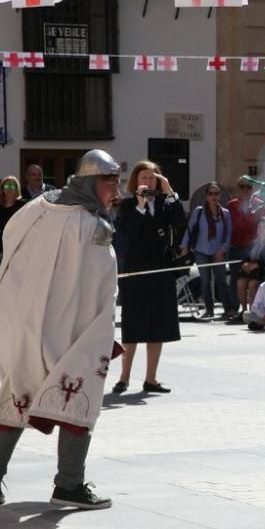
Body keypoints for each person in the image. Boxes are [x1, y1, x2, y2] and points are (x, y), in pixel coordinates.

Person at [0, 149, 122, 510]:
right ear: (88, 182)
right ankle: (68, 485)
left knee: (18, 391)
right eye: (109, 180)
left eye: (117, 180)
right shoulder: (95, 227)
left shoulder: (36, 208)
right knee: (79, 391)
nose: (115, 188)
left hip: (26, 323)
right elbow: (100, 287)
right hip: (68, 330)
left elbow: (12, 244)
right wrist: (100, 329)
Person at [112, 161, 185, 395]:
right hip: (136, 272)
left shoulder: (166, 203)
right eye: (143, 177)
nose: (147, 181)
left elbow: (180, 223)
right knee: (133, 325)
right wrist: (141, 206)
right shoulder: (127, 205)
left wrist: (169, 190)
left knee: (158, 325)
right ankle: (124, 378)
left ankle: (150, 378)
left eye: (152, 177)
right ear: (136, 180)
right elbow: (127, 233)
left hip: (161, 270)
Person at [181, 182, 237, 319]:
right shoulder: (199, 211)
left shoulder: (225, 214)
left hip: (218, 252)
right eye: (211, 193)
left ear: (220, 196)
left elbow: (228, 234)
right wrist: (184, 246)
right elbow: (189, 229)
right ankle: (209, 310)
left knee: (221, 280)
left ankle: (229, 309)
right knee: (205, 281)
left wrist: (222, 250)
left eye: (216, 193)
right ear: (206, 196)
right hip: (201, 251)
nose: (214, 196)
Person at [227, 175, 264, 310]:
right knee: (235, 280)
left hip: (252, 250)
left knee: (254, 280)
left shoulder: (259, 204)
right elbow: (227, 227)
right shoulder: (231, 205)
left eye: (249, 187)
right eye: (242, 186)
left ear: (252, 188)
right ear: (238, 188)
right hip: (236, 247)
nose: (245, 190)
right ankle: (234, 308)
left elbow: (264, 224)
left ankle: (255, 309)